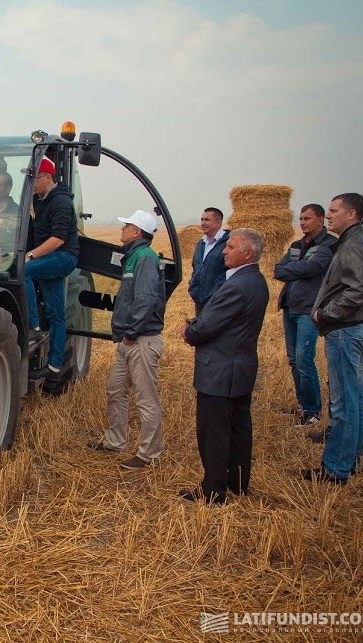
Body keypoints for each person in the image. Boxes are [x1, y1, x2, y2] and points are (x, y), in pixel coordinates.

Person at [180, 228, 269, 504]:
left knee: (214, 432)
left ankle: (213, 491)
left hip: (220, 371)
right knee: (239, 428)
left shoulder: (236, 286)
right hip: (241, 368)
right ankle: (238, 482)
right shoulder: (256, 281)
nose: (224, 251)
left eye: (230, 247)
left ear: (247, 254)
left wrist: (190, 330)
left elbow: (207, 326)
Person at [303, 193, 363, 485]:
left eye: (334, 210)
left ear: (352, 215)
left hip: (347, 330)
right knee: (356, 398)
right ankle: (352, 459)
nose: (329, 215)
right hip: (359, 327)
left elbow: (357, 290)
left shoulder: (351, 246)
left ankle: (335, 469)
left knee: (344, 403)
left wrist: (323, 314)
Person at [89, 209, 166, 469]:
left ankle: (148, 455)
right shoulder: (133, 257)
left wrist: (132, 333)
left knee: (146, 399)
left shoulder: (144, 257)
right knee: (115, 390)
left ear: (136, 232)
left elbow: (146, 298)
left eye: (126, 226)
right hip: (129, 340)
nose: (121, 229)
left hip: (141, 340)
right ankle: (116, 440)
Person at [273, 203, 337, 427]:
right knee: (293, 360)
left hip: (308, 311)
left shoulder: (328, 245)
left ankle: (312, 412)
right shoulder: (296, 245)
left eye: (307, 219)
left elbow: (313, 269)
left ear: (320, 220)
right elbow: (278, 270)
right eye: (300, 219)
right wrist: (299, 268)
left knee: (304, 361)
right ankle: (303, 405)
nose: (302, 223)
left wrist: (296, 268)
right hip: (290, 308)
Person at [25, 156, 79, 392]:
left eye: (35, 178)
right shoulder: (41, 200)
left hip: (63, 257)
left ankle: (33, 325)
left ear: (47, 177)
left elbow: (58, 239)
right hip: (50, 258)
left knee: (24, 271)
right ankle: (56, 364)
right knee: (56, 313)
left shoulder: (61, 202)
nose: (32, 183)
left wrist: (31, 255)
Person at [188, 207, 229, 315]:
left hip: (219, 303)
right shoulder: (201, 244)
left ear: (219, 223)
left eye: (207, 220)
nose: (203, 223)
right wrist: (192, 286)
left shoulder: (229, 243)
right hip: (200, 302)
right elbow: (195, 268)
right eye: (202, 220)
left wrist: (218, 294)